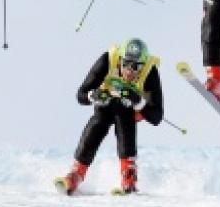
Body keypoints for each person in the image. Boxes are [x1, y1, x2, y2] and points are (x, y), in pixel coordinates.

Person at [54, 38, 163, 195]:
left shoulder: (150, 71)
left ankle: (129, 174)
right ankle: (77, 172)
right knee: (98, 122)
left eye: (135, 66)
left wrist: (138, 101)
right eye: (126, 63)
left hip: (130, 111)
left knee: (124, 114)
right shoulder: (107, 60)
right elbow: (80, 95)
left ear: (143, 65)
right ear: (119, 59)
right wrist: (94, 95)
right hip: (105, 106)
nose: (129, 70)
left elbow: (157, 116)